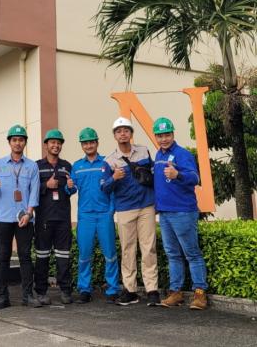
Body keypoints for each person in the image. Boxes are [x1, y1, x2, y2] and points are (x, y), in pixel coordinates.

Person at [102, 117, 160, 306]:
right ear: (114, 135)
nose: (123, 134)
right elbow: (104, 188)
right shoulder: (109, 160)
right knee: (128, 250)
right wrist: (114, 178)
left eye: (126, 130)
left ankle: (152, 289)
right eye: (119, 131)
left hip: (146, 206)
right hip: (125, 209)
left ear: (131, 133)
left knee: (149, 248)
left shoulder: (143, 151)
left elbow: (153, 174)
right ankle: (130, 290)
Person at [152, 117, 208, 310]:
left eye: (167, 135)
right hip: (165, 213)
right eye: (160, 136)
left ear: (173, 134)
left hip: (183, 211)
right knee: (172, 254)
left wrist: (178, 175)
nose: (163, 139)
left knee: (192, 253)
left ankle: (200, 293)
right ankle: (176, 292)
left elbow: (195, 177)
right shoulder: (158, 155)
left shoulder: (182, 154)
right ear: (156, 137)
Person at [0, 124, 41, 309]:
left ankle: (28, 295)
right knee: (3, 256)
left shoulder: (32, 166)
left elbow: (34, 191)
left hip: (24, 217)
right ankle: (3, 296)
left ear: (25, 142)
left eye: (21, 140)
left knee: (25, 256)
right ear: (9, 142)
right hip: (2, 217)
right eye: (14, 140)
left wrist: (29, 213)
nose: (18, 143)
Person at [71, 128, 120, 304]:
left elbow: (114, 187)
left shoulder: (107, 163)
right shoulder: (77, 166)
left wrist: (111, 209)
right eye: (85, 143)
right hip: (85, 216)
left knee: (110, 253)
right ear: (81, 145)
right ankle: (84, 289)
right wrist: (68, 186)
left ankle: (113, 289)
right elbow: (71, 189)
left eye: (91, 142)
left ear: (97, 143)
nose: (89, 145)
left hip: (104, 214)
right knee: (84, 254)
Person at [34, 129, 75, 305]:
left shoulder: (67, 166)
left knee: (63, 256)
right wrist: (46, 185)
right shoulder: (36, 166)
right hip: (43, 218)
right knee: (42, 257)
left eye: (58, 143)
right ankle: (41, 292)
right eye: (52, 142)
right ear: (46, 145)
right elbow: (31, 190)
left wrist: (71, 187)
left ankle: (65, 291)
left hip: (63, 218)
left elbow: (71, 190)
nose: (56, 145)